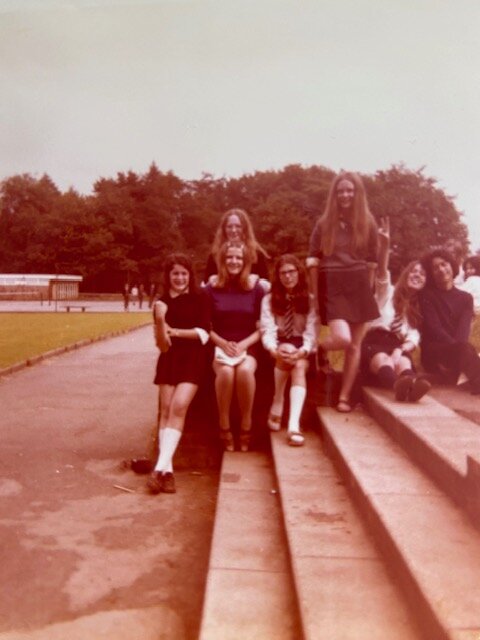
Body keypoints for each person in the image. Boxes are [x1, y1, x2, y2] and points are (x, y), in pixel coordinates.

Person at [307, 171, 379, 413]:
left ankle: (344, 397)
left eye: (350, 190)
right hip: (332, 283)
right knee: (343, 338)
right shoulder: (323, 223)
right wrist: (315, 297)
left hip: (359, 285)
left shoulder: (368, 222)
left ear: (357, 193)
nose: (345, 195)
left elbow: (372, 261)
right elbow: (312, 261)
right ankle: (318, 348)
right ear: (334, 195)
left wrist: (369, 292)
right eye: (340, 191)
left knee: (354, 346)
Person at [147, 254, 209, 494]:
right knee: (165, 409)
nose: (180, 278)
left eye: (184, 273)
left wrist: (176, 332)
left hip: (193, 358)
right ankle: (167, 472)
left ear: (190, 275)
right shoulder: (161, 303)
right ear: (168, 276)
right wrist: (160, 318)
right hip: (170, 359)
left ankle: (157, 469)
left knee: (179, 406)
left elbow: (204, 333)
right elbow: (162, 345)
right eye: (175, 273)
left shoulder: (200, 298)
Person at [360, 217, 431, 401]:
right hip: (374, 341)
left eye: (422, 274)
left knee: (404, 362)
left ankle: (410, 389)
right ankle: (400, 389)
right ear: (406, 274)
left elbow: (413, 337)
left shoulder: (416, 309)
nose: (417, 275)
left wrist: (400, 349)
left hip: (396, 344)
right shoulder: (387, 292)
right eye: (414, 271)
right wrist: (385, 246)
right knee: (384, 360)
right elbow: (382, 273)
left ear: (425, 283)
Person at [204, 241, 264, 452]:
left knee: (245, 371)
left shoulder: (255, 289)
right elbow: (204, 326)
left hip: (248, 344)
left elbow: (262, 328)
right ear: (222, 260)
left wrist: (244, 344)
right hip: (219, 344)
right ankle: (224, 425)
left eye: (239, 257)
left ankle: (247, 424)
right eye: (229, 257)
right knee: (227, 373)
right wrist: (222, 343)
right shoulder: (211, 289)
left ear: (246, 261)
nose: (234, 261)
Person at [260, 254, 316, 446]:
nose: (288, 276)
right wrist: (273, 349)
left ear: (299, 273)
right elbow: (267, 329)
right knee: (286, 350)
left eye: (291, 271)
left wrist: (303, 351)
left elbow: (312, 331)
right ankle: (278, 399)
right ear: (278, 276)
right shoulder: (269, 299)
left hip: (303, 346)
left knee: (299, 366)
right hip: (279, 345)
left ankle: (293, 424)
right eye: (283, 273)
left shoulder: (310, 300)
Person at [419, 248, 480, 394]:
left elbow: (463, 332)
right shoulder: (427, 295)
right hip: (434, 352)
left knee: (466, 348)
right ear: (431, 274)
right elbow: (435, 329)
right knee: (466, 350)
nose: (441, 269)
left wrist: (459, 351)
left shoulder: (466, 298)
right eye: (435, 268)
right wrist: (458, 351)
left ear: (451, 265)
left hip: (458, 351)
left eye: (444, 264)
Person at [204, 208, 270, 284]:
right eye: (229, 226)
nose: (233, 230)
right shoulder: (214, 255)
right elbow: (206, 284)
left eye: (238, 226)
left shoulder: (257, 255)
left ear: (245, 229)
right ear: (224, 229)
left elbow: (266, 285)